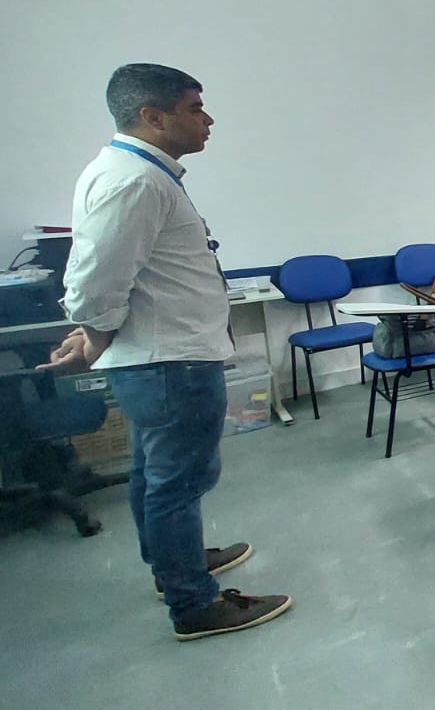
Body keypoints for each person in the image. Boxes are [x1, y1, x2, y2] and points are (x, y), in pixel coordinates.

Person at [42, 64, 290, 640]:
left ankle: (173, 566)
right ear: (153, 117)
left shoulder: (140, 173)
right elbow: (94, 276)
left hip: (162, 357)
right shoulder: (135, 181)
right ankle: (194, 603)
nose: (208, 119)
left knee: (156, 472)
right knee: (178, 480)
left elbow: (112, 272)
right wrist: (95, 331)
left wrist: (95, 329)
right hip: (168, 361)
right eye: (194, 108)